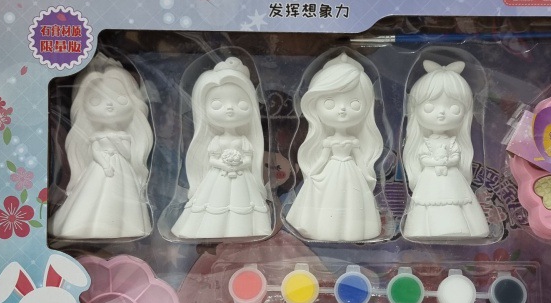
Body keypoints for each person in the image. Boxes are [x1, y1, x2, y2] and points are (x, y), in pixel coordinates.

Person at [52, 55, 153, 239]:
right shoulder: (96, 136)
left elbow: (126, 153)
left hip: (121, 168)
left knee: (124, 198)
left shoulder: (124, 136)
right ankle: (81, 225)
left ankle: (126, 227)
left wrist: (117, 145)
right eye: (96, 100)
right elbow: (95, 151)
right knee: (91, 195)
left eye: (120, 99)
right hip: (100, 168)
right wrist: (105, 165)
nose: (109, 105)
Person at [286, 52, 383, 241]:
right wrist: (312, 174)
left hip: (351, 172)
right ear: (314, 105)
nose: (343, 109)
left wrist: (367, 176)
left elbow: (361, 161)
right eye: (330, 103)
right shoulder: (328, 142)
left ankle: (352, 231)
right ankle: (324, 230)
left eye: (354, 104)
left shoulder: (354, 141)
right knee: (329, 201)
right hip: (331, 171)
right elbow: (322, 159)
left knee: (351, 202)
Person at [172, 58, 271, 239]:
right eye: (217, 105)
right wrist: (225, 165)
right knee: (214, 202)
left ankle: (244, 229)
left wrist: (239, 164)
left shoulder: (244, 140)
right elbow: (212, 159)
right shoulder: (216, 140)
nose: (230, 109)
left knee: (242, 202)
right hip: (219, 175)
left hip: (241, 176)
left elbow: (248, 159)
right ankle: (209, 230)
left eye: (241, 104)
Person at [402, 60, 488, 239]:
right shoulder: (425, 142)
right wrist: (436, 163)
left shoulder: (453, 141)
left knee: (457, 199)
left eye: (454, 108)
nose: (441, 113)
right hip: (431, 176)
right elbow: (423, 158)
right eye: (430, 107)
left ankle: (462, 227)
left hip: (451, 175)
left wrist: (447, 162)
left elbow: (456, 156)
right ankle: (425, 229)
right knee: (428, 201)